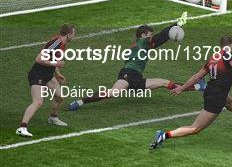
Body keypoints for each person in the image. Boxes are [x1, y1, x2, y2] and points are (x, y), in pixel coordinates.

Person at [69, 19, 205, 111]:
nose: (150, 37)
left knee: (164, 83)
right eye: (149, 34)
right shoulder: (143, 42)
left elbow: (158, 39)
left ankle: (199, 86)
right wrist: (175, 25)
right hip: (128, 75)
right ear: (143, 35)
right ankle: (80, 102)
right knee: (113, 92)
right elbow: (160, 37)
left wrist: (173, 27)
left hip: (137, 78)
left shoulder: (140, 44)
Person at [149, 36, 232, 150]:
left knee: (228, 100)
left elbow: (197, 76)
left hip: (210, 91)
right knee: (195, 128)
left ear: (220, 46)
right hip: (216, 97)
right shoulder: (228, 57)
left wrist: (182, 88)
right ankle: (164, 135)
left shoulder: (213, 57)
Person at [16, 24, 76, 137]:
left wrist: (57, 73)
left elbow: (53, 58)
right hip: (37, 74)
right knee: (38, 102)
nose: (74, 36)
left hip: (48, 75)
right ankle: (22, 128)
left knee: (59, 96)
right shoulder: (55, 44)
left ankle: (53, 118)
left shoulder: (63, 44)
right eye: (74, 34)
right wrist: (56, 64)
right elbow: (39, 59)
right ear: (68, 34)